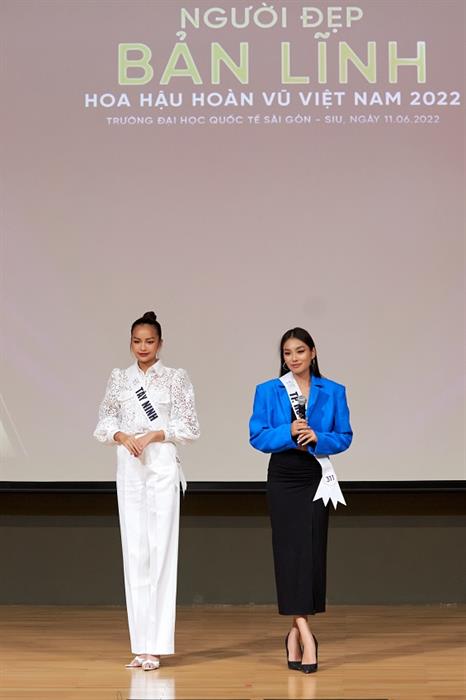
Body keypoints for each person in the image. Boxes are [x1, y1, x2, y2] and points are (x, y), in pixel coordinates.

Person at [94, 311, 200, 670]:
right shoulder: (119, 379)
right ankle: (140, 645)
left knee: (161, 550)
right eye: (137, 341)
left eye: (149, 341)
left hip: (161, 463)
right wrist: (120, 435)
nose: (143, 347)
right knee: (135, 551)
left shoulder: (175, 378)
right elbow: (104, 421)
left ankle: (157, 645)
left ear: (160, 343)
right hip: (129, 464)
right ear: (130, 343)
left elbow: (189, 426)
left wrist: (155, 434)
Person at [249, 327, 352, 673]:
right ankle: (306, 634)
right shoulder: (268, 390)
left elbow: (344, 436)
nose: (293, 358)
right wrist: (288, 431)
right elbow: (257, 436)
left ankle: (294, 632)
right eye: (287, 353)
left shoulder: (333, 390)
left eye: (299, 351)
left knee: (311, 553)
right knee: (288, 553)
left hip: (315, 476)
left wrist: (318, 436)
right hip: (283, 476)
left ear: (313, 352)